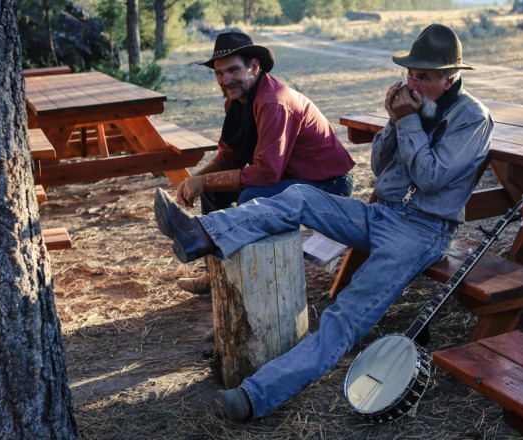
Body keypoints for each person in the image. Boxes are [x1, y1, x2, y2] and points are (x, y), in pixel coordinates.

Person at [153, 23, 493, 421]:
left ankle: (254, 395)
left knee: (343, 318)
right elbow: (382, 168)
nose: (413, 83)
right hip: (381, 213)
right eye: (410, 74)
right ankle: (202, 234)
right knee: (297, 196)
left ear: (450, 78)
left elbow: (431, 178)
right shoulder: (412, 106)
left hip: (421, 232)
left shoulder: (472, 117)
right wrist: (393, 120)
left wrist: (407, 123)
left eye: (424, 77)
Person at [174, 31, 356, 295]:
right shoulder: (236, 100)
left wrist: (203, 181)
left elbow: (267, 174)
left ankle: (258, 284)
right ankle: (215, 274)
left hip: (329, 184)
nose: (226, 80)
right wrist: (195, 181)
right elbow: (230, 156)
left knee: (254, 197)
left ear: (254, 67)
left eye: (234, 70)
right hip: (290, 178)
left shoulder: (273, 102)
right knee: (215, 191)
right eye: (219, 73)